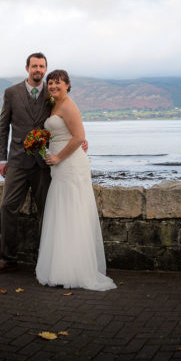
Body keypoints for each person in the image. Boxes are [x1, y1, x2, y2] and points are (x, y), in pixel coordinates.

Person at [36, 69, 116, 291]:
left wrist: (59, 156)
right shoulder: (52, 104)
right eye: (50, 83)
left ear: (68, 85)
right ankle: (61, 267)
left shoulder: (69, 105)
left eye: (58, 83)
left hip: (70, 164)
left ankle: (74, 271)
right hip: (59, 164)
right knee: (63, 213)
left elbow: (79, 137)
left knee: (71, 212)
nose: (53, 86)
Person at [0, 52, 53, 275]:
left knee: (47, 211)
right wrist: (1, 159)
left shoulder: (52, 93)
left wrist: (80, 139)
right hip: (16, 161)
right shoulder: (11, 93)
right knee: (7, 207)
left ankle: (46, 260)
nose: (38, 70)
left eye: (42, 67)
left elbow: (65, 120)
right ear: (27, 68)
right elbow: (3, 127)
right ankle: (8, 259)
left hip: (43, 163)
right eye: (34, 66)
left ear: (45, 69)